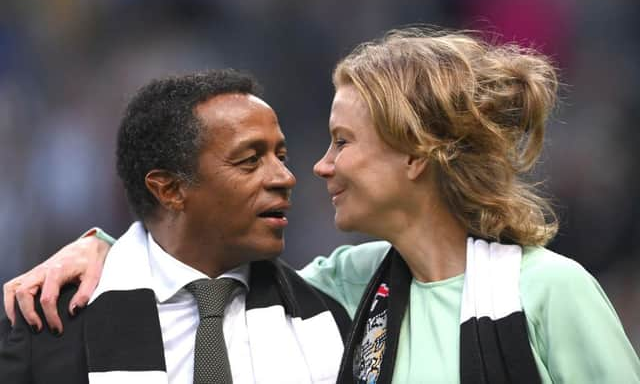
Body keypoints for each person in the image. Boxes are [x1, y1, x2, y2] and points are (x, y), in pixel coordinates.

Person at [5, 28, 640, 383]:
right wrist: (108, 247)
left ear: (415, 155)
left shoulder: (552, 292)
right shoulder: (349, 288)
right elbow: (191, 268)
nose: (317, 166)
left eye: (342, 142)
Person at [0, 69, 351, 384]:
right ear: (170, 189)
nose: (284, 177)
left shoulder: (337, 311)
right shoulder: (49, 330)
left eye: (282, 157)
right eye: (250, 160)